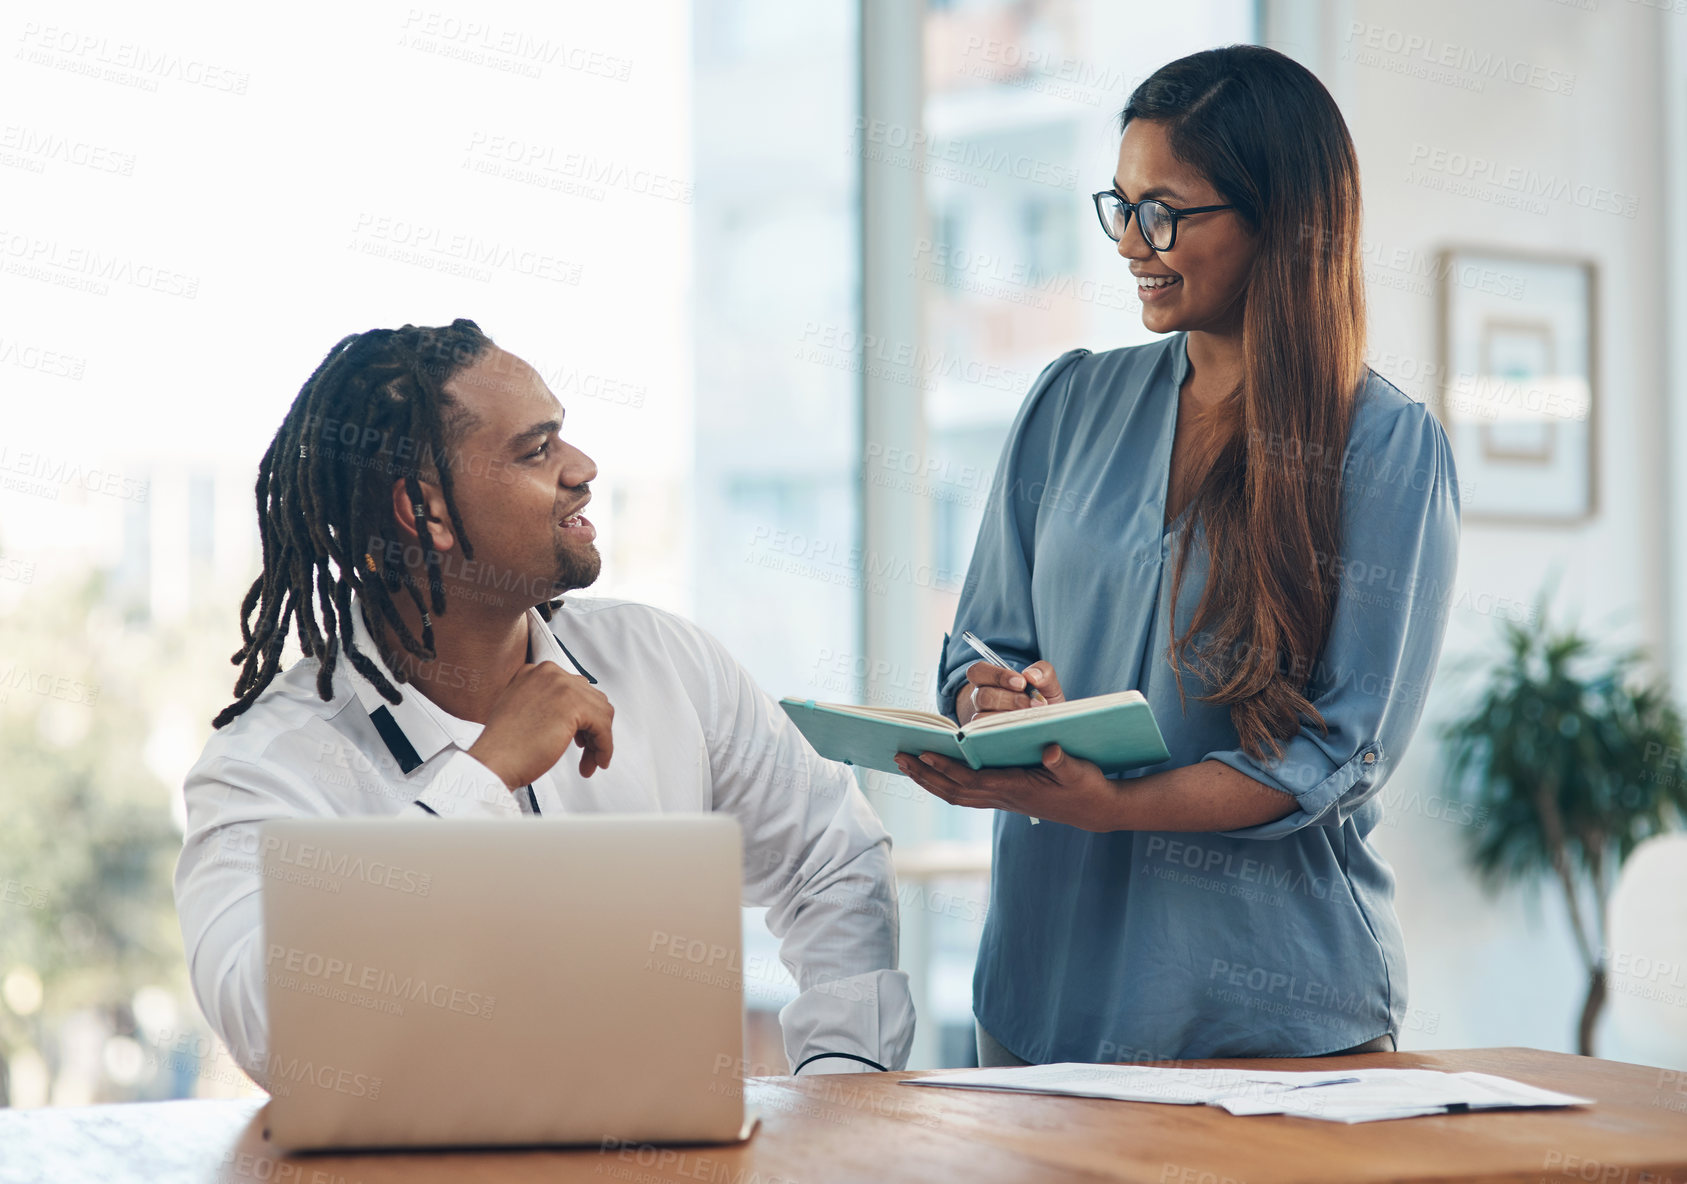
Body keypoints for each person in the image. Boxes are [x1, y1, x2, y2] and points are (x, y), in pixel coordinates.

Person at [895, 46, 1460, 1066]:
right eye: (1120, 205)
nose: (1130, 244)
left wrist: (1116, 805)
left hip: (1269, 1018)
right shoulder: (1068, 403)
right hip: (1040, 996)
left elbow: (1332, 751)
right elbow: (979, 646)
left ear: (1276, 218)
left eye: (1164, 211)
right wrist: (991, 707)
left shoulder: (1381, 448)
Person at [174, 319, 913, 1087]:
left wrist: (842, 1068)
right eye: (537, 450)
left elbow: (831, 857)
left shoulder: (665, 664)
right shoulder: (266, 769)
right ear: (422, 511)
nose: (583, 467)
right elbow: (276, 1032)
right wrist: (483, 778)